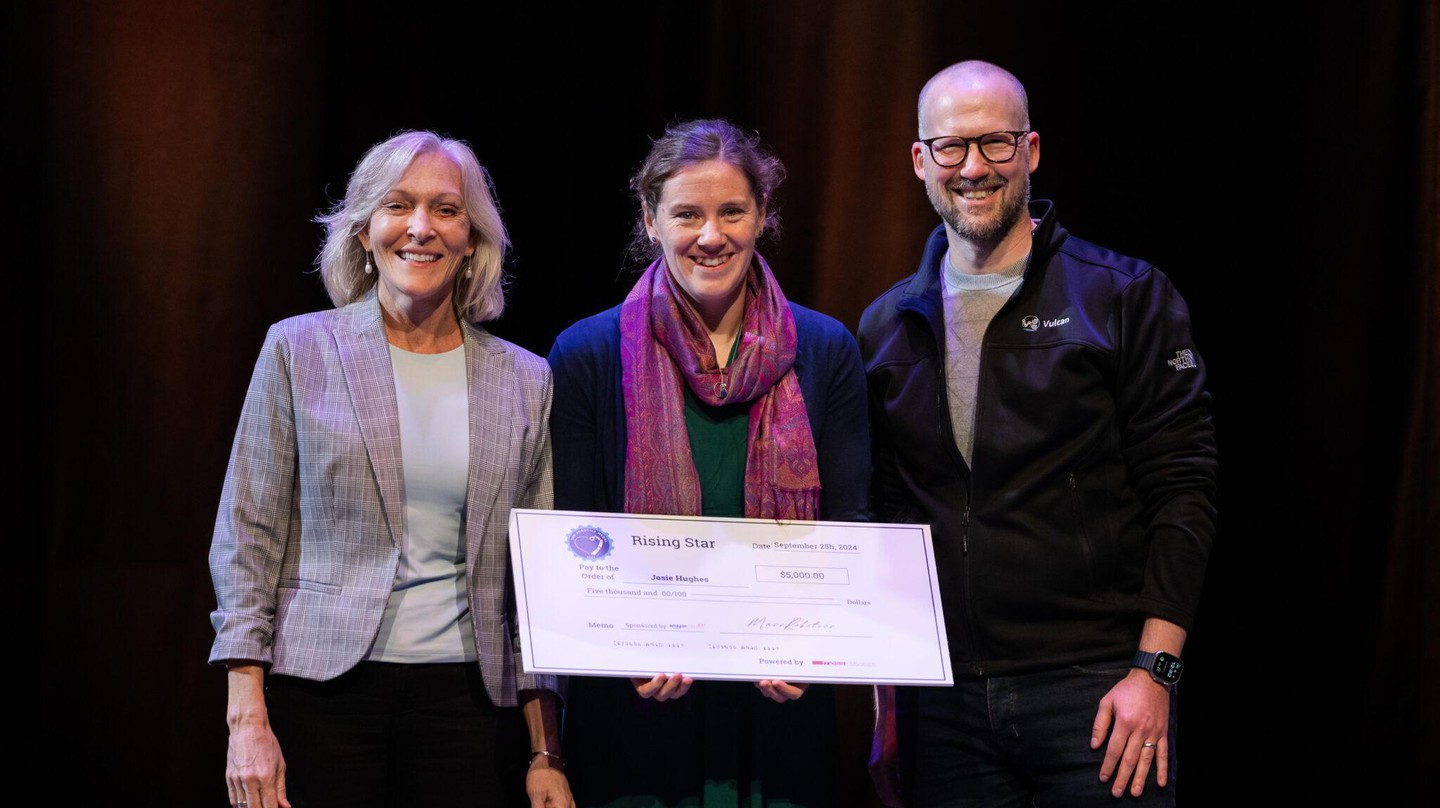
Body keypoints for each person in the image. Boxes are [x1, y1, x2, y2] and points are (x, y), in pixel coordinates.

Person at [858, 61, 1217, 807]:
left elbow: (1185, 493)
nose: (975, 168)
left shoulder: (1121, 295)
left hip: (1097, 698)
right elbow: (892, 524)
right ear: (920, 159)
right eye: (953, 147)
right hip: (945, 709)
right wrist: (889, 703)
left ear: (1032, 150)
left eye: (997, 143)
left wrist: (1158, 676)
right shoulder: (887, 324)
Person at [208, 130, 572, 808]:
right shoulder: (297, 349)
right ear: (365, 232)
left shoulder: (525, 378)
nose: (420, 227)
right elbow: (247, 538)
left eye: (445, 209)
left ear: (472, 239)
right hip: (320, 698)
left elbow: (536, 582)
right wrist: (245, 719)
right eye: (398, 205)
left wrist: (544, 750)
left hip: (468, 706)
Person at [547, 118, 870, 807]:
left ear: (761, 216)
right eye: (687, 214)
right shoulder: (587, 353)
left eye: (732, 212)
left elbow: (851, 524)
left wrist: (817, 644)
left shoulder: (826, 348)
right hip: (636, 710)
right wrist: (628, 643)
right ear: (651, 219)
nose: (711, 235)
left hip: (781, 704)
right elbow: (573, 536)